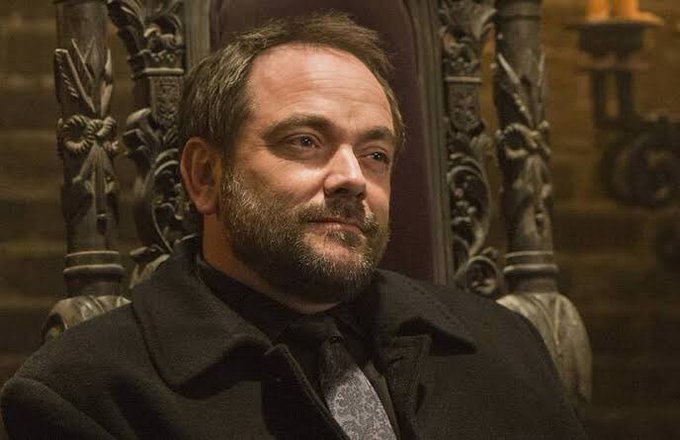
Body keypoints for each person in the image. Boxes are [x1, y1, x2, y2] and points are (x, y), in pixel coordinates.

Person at [1, 13, 586, 439]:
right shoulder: (86, 393)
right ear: (205, 176)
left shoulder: (505, 345)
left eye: (375, 154)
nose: (352, 178)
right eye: (305, 141)